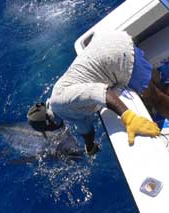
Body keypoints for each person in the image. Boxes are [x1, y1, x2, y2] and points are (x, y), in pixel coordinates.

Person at [27, 30, 169, 155]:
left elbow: (99, 92)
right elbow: (85, 127)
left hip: (116, 54)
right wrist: (89, 145)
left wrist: (129, 118)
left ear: (50, 125)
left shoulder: (60, 102)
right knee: (154, 85)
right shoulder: (62, 108)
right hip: (107, 44)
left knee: (155, 99)